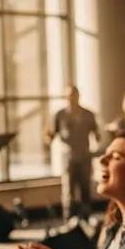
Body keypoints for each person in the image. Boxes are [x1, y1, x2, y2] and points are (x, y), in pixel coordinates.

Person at [48, 85, 100, 221]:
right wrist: (47, 135)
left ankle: (86, 219)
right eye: (68, 95)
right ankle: (68, 219)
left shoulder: (89, 115)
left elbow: (97, 135)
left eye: (73, 95)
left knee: (85, 189)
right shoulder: (60, 115)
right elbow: (51, 136)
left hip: (84, 157)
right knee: (68, 191)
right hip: (68, 158)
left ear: (78, 96)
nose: (71, 98)